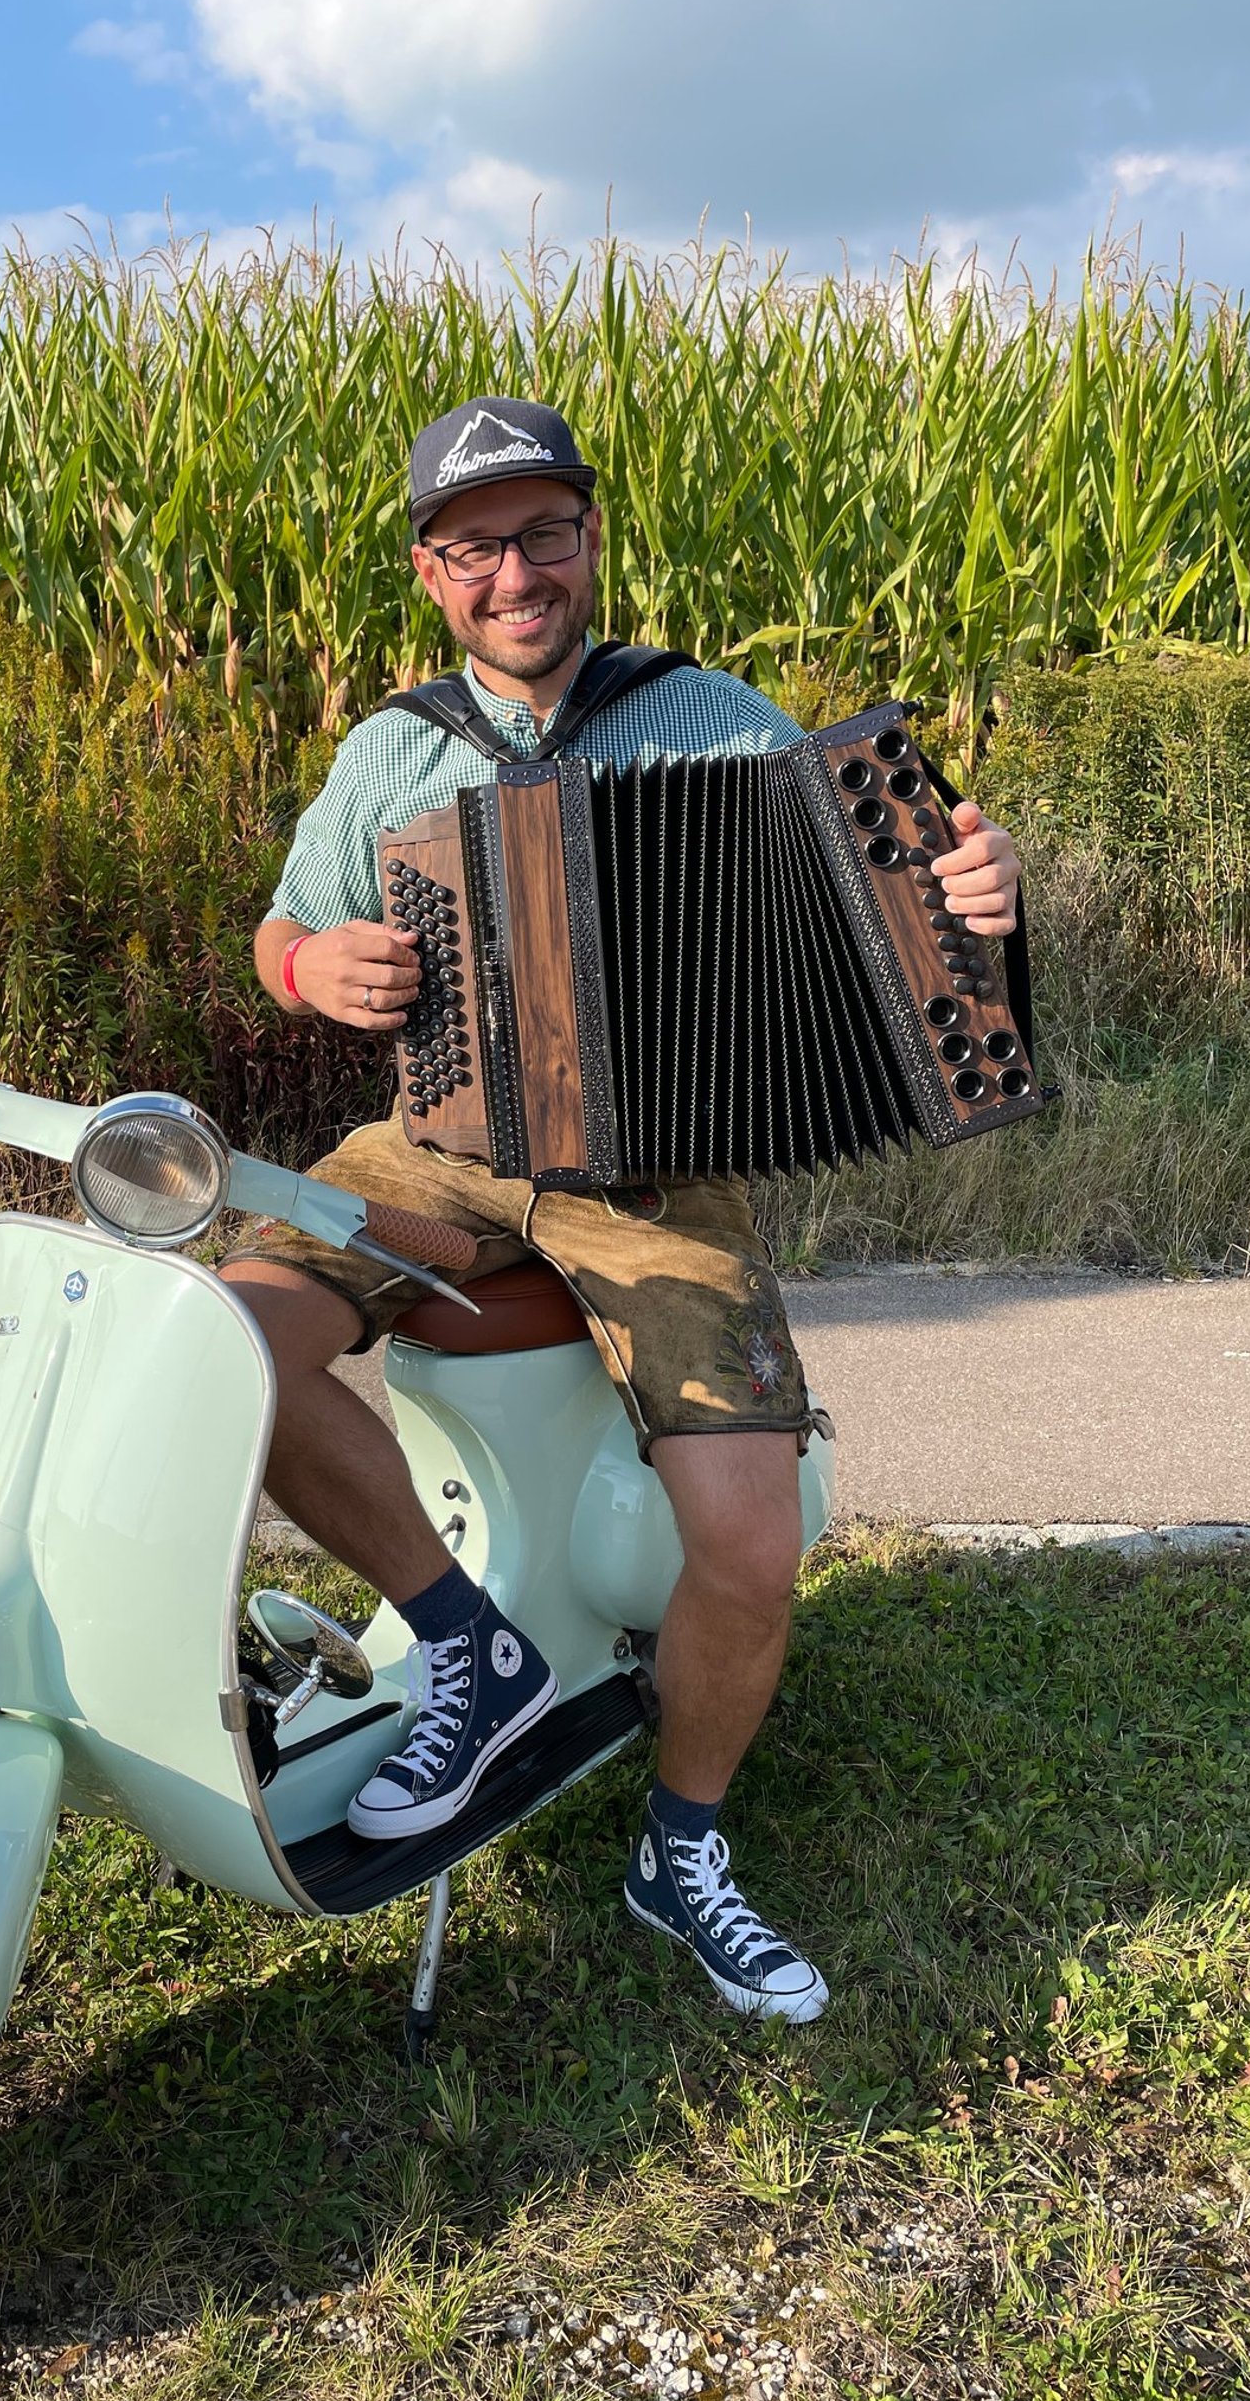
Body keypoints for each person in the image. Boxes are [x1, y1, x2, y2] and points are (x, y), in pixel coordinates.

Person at [221, 397, 1021, 2022]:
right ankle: (469, 1650)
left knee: (744, 1541)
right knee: (222, 1343)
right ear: (436, 574)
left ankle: (682, 1843)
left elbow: (891, 908)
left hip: (661, 1187)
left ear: (589, 542)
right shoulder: (392, 748)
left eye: (546, 535)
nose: (517, 573)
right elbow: (280, 934)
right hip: (437, 1148)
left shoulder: (711, 718)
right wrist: (316, 968)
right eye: (478, 547)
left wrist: (972, 894)